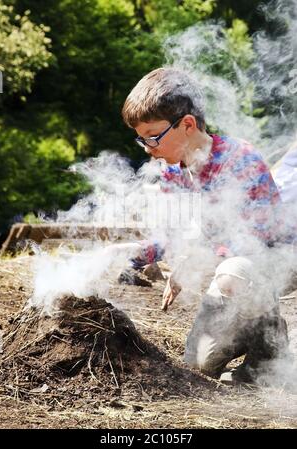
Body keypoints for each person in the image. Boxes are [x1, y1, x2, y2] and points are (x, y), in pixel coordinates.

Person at [117, 67, 290, 384]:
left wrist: (197, 259)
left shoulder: (241, 160)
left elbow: (259, 239)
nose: (147, 149)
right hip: (230, 267)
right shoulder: (173, 170)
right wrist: (132, 255)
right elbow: (173, 234)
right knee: (199, 362)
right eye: (140, 140)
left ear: (186, 125)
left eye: (152, 138)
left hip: (276, 260)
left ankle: (269, 347)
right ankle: (244, 330)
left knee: (233, 272)